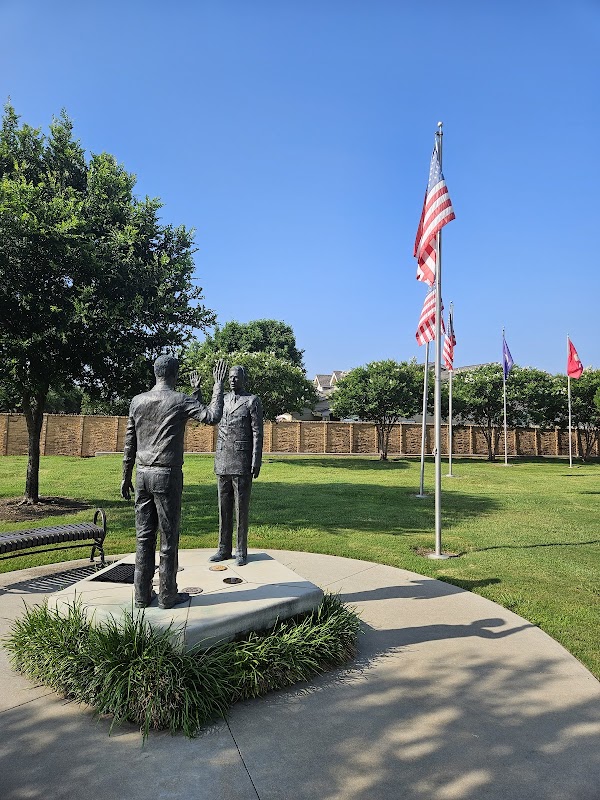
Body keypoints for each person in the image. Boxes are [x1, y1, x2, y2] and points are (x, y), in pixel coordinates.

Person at [121, 356, 228, 609]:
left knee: (143, 538)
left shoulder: (138, 401)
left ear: (155, 372)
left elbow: (130, 442)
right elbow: (212, 416)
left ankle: (141, 596)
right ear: (175, 374)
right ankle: (167, 595)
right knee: (168, 538)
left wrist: (126, 475)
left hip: (142, 475)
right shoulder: (180, 399)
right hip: (166, 475)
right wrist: (218, 385)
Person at [210, 365, 263, 566]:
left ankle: (241, 550)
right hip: (222, 460)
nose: (232, 380)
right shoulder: (221, 399)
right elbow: (207, 414)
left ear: (243, 379)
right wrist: (197, 391)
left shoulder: (251, 401)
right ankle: (223, 548)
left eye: (236, 377)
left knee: (241, 509)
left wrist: (256, 459)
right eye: (230, 377)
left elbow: (258, 432)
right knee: (223, 509)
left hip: (241, 461)